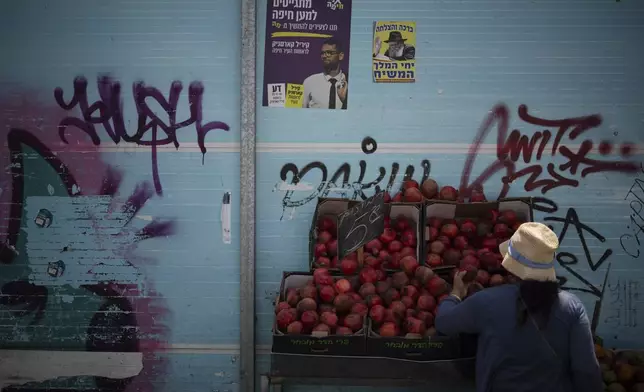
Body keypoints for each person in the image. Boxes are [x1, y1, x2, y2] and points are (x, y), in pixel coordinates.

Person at [435, 222, 602, 392]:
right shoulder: (572, 307)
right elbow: (587, 371)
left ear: (510, 266)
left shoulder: (487, 302)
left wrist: (455, 294)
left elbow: (444, 322)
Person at [302, 37, 347, 110]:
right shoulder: (309, 82)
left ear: (340, 56)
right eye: (322, 53)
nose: (324, 56)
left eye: (329, 53)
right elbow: (300, 112)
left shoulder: (349, 83)